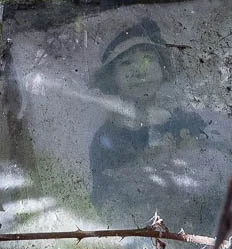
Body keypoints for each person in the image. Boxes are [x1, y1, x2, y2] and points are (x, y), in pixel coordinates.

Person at [89, 17, 207, 228]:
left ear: (162, 67)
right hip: (145, 236)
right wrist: (141, 168)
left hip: (196, 225)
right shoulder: (107, 138)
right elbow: (105, 201)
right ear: (111, 77)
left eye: (147, 59)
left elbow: (215, 174)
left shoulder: (185, 120)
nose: (139, 71)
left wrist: (191, 152)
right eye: (126, 63)